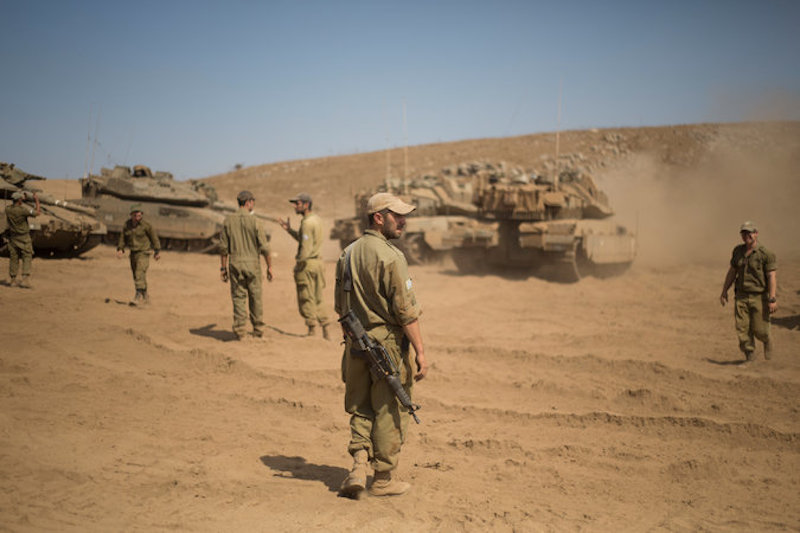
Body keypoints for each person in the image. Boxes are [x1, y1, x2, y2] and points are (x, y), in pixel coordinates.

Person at [334, 192, 429, 498]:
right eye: (397, 215)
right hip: (386, 345)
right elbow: (405, 313)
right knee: (389, 410)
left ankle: (358, 468)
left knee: (360, 407)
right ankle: (383, 480)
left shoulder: (347, 254)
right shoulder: (392, 257)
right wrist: (421, 352)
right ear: (378, 218)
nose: (404, 221)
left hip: (355, 344)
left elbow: (340, 306)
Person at [720, 221, 777, 363]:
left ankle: (767, 341)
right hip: (741, 296)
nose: (747, 235)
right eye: (744, 233)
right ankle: (749, 356)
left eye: (750, 232)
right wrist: (724, 291)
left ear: (756, 233)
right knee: (742, 329)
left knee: (760, 330)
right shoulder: (738, 251)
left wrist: (772, 298)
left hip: (759, 297)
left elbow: (771, 277)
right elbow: (732, 272)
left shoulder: (766, 254)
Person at [220, 190, 273, 340]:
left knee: (238, 297)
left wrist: (223, 268)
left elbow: (223, 248)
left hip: (235, 263)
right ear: (248, 202)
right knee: (255, 297)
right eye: (253, 202)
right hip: (252, 265)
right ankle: (258, 330)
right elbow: (265, 248)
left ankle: (240, 330)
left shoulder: (228, 221)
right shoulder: (255, 221)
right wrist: (269, 267)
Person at [279, 192, 330, 338]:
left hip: (307, 265)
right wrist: (289, 230)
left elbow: (305, 249)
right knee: (318, 296)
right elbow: (305, 240)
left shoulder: (307, 223)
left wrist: (299, 264)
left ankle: (312, 329)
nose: (295, 206)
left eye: (298, 203)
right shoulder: (316, 220)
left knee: (306, 297)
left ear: (306, 205)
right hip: (318, 263)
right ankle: (325, 328)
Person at [116, 204, 161, 303]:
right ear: (131, 215)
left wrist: (157, 251)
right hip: (133, 253)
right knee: (136, 275)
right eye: (135, 215)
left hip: (144, 252)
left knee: (139, 272)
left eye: (139, 215)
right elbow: (122, 238)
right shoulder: (127, 225)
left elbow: (154, 238)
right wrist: (120, 249)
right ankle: (145, 295)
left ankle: (138, 295)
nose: (137, 218)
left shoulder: (146, 226)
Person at [4, 190, 40, 288]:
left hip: (13, 238)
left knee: (14, 258)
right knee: (27, 256)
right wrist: (36, 200)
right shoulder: (22, 210)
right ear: (19, 200)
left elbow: (14, 204)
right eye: (21, 199)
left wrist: (19, 196)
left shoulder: (8, 209)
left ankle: (13, 279)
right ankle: (25, 278)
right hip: (24, 238)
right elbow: (37, 212)